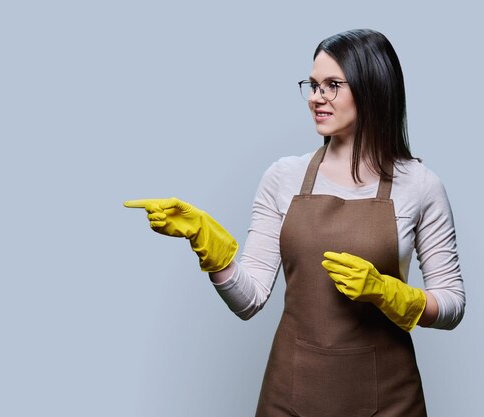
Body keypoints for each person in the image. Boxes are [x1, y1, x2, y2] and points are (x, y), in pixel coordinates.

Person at [125, 28, 465, 417]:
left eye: (332, 85)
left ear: (373, 89)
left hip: (390, 398)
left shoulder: (419, 185)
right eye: (313, 84)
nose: (316, 97)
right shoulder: (283, 176)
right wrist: (212, 253)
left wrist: (398, 297)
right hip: (291, 392)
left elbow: (453, 303)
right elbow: (249, 300)